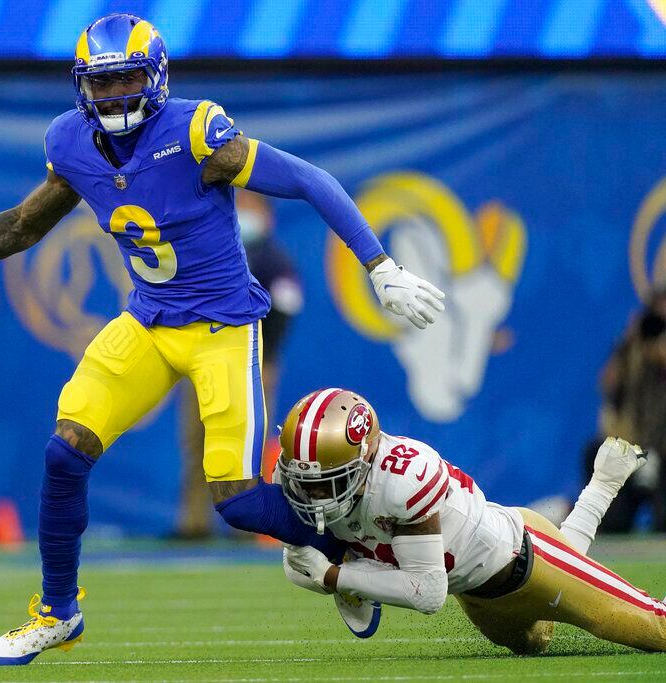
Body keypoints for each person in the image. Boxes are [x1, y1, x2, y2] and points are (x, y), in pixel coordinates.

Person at [0, 14, 445, 666]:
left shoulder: (196, 132)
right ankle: (57, 612)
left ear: (153, 77)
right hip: (148, 321)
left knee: (235, 501)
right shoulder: (70, 142)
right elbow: (19, 226)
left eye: (127, 76)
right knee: (64, 453)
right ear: (80, 86)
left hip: (221, 329)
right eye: (102, 81)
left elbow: (308, 180)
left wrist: (380, 265)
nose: (116, 92)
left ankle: (349, 552)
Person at [276, 388, 665, 654]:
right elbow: (299, 563)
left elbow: (427, 592)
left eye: (331, 482)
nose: (316, 497)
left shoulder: (403, 479)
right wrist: (336, 573)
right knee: (539, 637)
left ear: (365, 460)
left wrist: (334, 577)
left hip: (527, 555)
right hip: (479, 595)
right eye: (307, 483)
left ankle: (602, 487)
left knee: (655, 628)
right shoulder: (308, 483)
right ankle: (602, 485)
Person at [175, 190, 303, 539]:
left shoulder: (274, 260)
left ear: (268, 215)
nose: (243, 212)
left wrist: (269, 357)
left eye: (251, 207)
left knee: (243, 443)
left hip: (251, 365)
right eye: (239, 206)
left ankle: (247, 524)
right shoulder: (214, 252)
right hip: (205, 362)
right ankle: (194, 523)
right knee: (197, 442)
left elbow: (286, 308)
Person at [596, 291, 666, 531]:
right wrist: (628, 342)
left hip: (663, 451)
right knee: (613, 524)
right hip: (634, 449)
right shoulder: (632, 352)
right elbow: (607, 383)